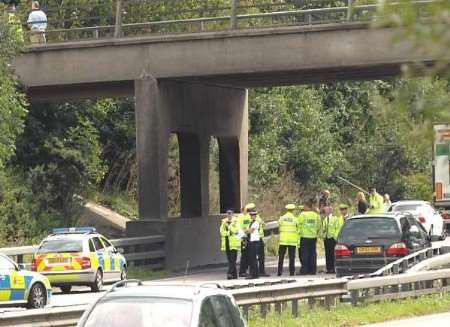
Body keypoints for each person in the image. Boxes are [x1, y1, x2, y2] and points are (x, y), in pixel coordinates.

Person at [297, 197, 321, 275]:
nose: (303, 207)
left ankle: (304, 270)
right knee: (313, 254)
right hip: (313, 237)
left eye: (304, 206)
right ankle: (313, 270)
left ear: (307, 206)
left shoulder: (302, 214)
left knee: (305, 255)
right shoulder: (316, 215)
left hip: (304, 237)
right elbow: (319, 225)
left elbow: (298, 225)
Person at [321, 206, 344, 274]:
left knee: (333, 254)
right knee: (327, 254)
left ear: (330, 211)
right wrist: (323, 237)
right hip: (326, 239)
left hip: (332, 239)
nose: (325, 211)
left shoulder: (335, 219)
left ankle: (334, 268)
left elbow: (338, 228)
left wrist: (334, 237)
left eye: (326, 210)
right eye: (324, 210)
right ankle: (329, 269)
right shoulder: (325, 219)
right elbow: (324, 229)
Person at [277, 204, 299, 276]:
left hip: (283, 240)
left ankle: (279, 272)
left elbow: (279, 225)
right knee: (291, 257)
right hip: (292, 241)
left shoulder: (282, 218)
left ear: (286, 210)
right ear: (293, 210)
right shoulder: (295, 219)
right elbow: (298, 228)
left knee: (281, 256)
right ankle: (292, 272)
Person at [220, 210, 240, 280]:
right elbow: (221, 232)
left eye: (230, 214)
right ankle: (234, 275)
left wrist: (230, 227)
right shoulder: (223, 222)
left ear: (233, 214)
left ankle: (229, 273)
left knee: (233, 260)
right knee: (230, 260)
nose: (229, 215)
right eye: (228, 214)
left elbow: (236, 231)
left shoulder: (236, 221)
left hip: (234, 244)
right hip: (227, 243)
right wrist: (229, 233)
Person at [237, 203, 254, 277]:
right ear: (242, 210)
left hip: (249, 237)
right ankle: (242, 271)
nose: (247, 211)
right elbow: (239, 227)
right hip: (243, 238)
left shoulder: (248, 216)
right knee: (244, 255)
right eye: (246, 210)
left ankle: (246, 270)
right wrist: (244, 232)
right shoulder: (240, 217)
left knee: (248, 255)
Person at [246, 211, 261, 279]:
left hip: (254, 242)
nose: (252, 217)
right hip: (251, 241)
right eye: (251, 216)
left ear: (255, 216)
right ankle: (253, 273)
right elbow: (248, 230)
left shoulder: (256, 223)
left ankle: (254, 274)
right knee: (251, 258)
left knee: (254, 259)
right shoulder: (251, 223)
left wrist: (244, 231)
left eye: (253, 215)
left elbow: (251, 231)